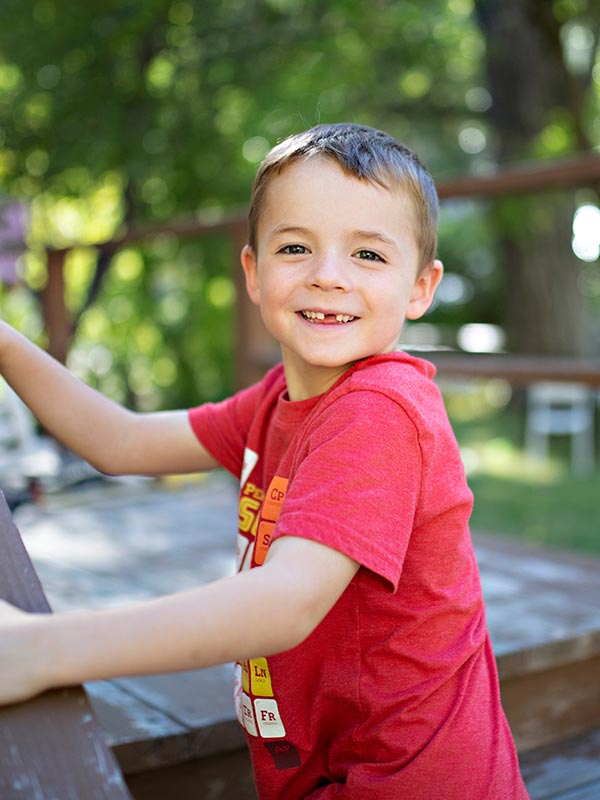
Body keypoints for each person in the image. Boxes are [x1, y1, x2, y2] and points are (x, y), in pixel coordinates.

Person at [0, 123, 529, 799]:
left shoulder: (380, 411)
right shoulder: (277, 400)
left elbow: (285, 602)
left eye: (367, 254)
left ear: (421, 287)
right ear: (253, 271)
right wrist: (9, 346)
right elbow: (122, 442)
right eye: (296, 247)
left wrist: (41, 650)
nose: (327, 275)